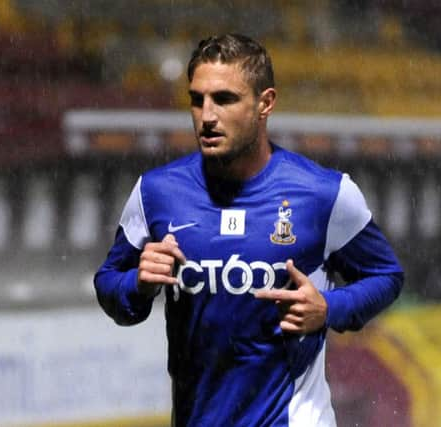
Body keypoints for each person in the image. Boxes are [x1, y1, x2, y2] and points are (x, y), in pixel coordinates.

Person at [94, 33, 403, 427]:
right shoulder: (156, 192)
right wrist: (137, 286)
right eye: (196, 99)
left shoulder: (324, 193)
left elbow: (387, 276)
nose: (206, 116)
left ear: (265, 103)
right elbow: (109, 285)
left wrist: (330, 309)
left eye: (224, 99)